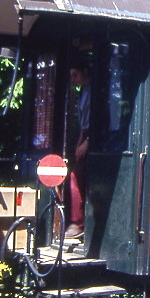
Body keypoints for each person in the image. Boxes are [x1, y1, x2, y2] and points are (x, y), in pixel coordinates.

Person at [66, 58, 90, 239]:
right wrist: (79, 142)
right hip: (86, 139)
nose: (73, 79)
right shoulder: (84, 92)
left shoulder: (95, 91)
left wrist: (87, 141)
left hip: (94, 141)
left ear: (85, 72)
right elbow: (83, 124)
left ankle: (78, 222)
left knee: (76, 175)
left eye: (75, 75)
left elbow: (98, 119)